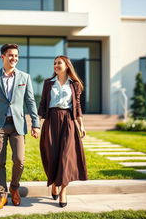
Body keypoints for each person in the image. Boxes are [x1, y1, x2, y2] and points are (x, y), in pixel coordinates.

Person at [0, 43, 40, 210]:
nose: (14, 58)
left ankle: (14, 188)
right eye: (10, 55)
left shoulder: (25, 77)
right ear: (3, 57)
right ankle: (2, 195)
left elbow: (30, 102)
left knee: (19, 160)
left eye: (16, 56)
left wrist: (35, 124)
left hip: (18, 124)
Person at [38, 55, 88, 207]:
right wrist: (36, 125)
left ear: (67, 65)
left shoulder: (75, 84)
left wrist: (81, 125)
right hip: (51, 120)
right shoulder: (48, 83)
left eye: (59, 63)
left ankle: (63, 191)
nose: (56, 65)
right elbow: (43, 103)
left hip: (68, 121)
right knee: (52, 156)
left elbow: (77, 106)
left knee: (66, 157)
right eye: (54, 63)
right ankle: (54, 184)